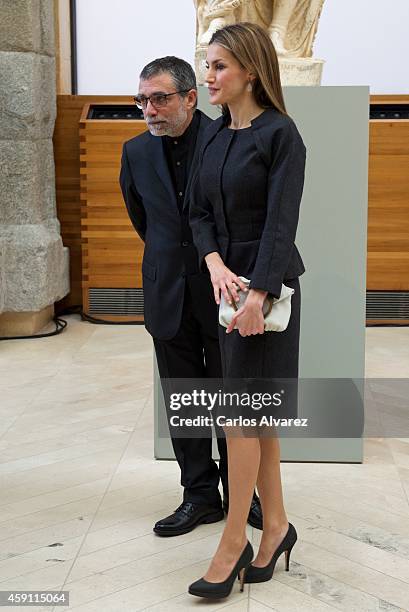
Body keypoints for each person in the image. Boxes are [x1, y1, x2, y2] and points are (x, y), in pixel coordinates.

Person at [119, 56, 262, 537]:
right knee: (185, 398)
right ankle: (199, 496)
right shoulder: (135, 152)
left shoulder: (228, 140)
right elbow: (144, 220)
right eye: (142, 100)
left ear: (189, 97)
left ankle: (242, 491)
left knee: (231, 397)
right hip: (167, 292)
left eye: (159, 98)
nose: (150, 110)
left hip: (224, 291)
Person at [188, 23, 306, 599]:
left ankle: (234, 539)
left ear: (250, 72)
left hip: (266, 295)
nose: (207, 77)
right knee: (254, 418)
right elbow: (197, 212)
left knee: (240, 420)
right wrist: (212, 263)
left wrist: (258, 295)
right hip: (224, 290)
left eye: (218, 67)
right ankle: (277, 526)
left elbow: (282, 224)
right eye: (207, 66)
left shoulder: (282, 135)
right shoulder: (211, 137)